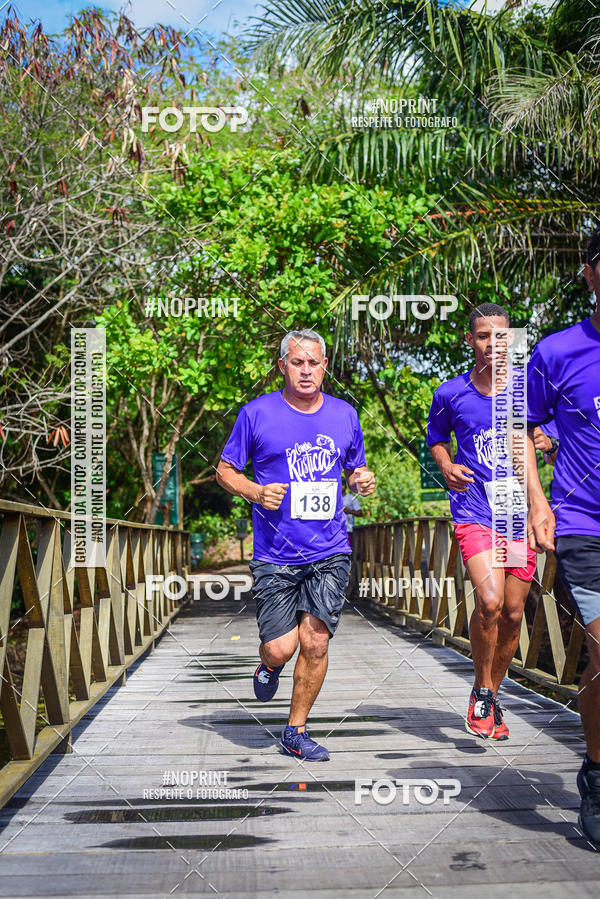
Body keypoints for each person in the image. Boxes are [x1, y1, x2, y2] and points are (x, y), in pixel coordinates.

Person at [216, 328, 375, 761]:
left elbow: (355, 471)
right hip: (275, 554)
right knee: (282, 647)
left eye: (314, 363)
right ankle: (268, 666)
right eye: (297, 362)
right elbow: (225, 470)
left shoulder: (345, 414)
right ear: (282, 365)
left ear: (325, 367)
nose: (306, 371)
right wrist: (254, 491)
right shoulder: (256, 414)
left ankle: (295, 730)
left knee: (316, 640)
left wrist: (361, 480)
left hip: (330, 549)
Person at [427, 303, 538, 741]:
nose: (494, 344)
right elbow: (436, 439)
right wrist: (446, 464)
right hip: (474, 508)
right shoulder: (450, 394)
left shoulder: (525, 392)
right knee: (489, 601)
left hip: (515, 512)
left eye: (502, 336)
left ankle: (492, 691)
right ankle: (480, 689)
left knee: (512, 613)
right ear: (469, 341)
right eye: (484, 336)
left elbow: (548, 434)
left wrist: (545, 438)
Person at [526, 226, 600, 844]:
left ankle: (593, 768)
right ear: (591, 274)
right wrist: (536, 503)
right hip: (583, 524)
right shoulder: (558, 353)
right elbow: (521, 428)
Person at [342, 476, 364, 547]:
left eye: (342, 485)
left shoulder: (351, 498)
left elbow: (360, 513)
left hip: (348, 529)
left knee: (348, 549)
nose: (341, 487)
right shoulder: (333, 498)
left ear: (345, 486)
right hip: (335, 530)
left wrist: (348, 511)